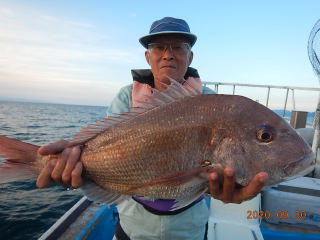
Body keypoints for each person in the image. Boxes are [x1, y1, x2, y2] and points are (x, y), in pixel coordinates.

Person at [36, 17, 269, 239]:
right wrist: (70, 155)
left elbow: (211, 170)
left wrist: (228, 186)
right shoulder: (126, 96)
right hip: (133, 226)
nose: (168, 55)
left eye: (178, 47)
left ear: (190, 56)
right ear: (148, 57)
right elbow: (102, 143)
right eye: (159, 47)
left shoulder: (210, 102)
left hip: (190, 228)